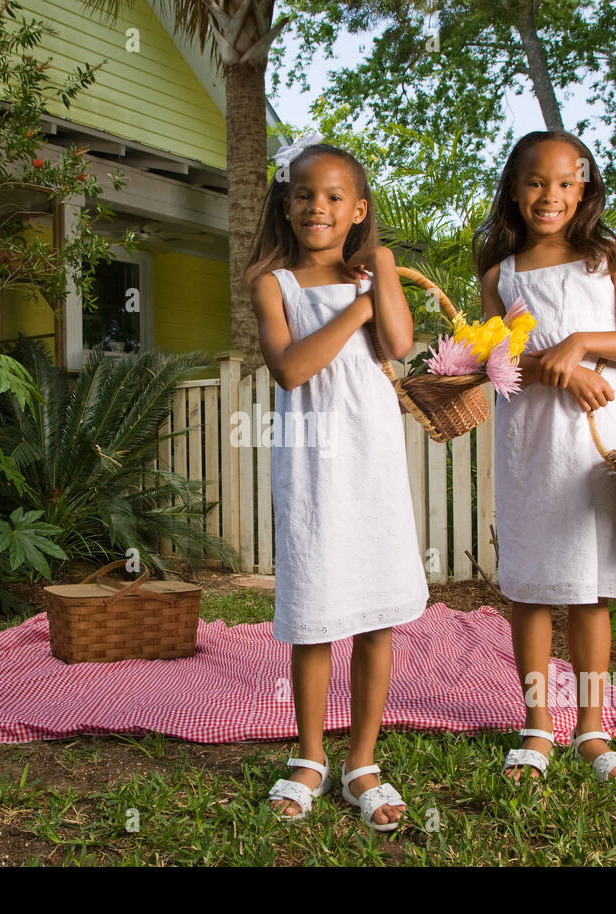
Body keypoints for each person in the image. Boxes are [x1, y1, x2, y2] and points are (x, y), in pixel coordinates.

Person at [474, 130, 616, 789]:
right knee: (530, 589)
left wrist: (584, 343)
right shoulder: (499, 274)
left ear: (585, 187)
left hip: (593, 444)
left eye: (564, 182)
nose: (549, 195)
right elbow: (493, 364)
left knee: (588, 593)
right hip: (531, 445)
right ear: (514, 188)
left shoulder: (607, 257)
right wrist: (556, 369)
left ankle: (592, 726)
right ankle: (536, 725)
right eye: (534, 182)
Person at [243, 140, 428, 830]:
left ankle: (363, 762)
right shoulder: (273, 281)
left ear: (358, 210)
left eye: (331, 197)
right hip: (312, 464)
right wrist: (356, 307)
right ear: (286, 206)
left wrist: (380, 270)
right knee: (315, 613)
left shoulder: (372, 272)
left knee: (376, 613)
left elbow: (401, 345)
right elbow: (292, 369)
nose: (315, 207)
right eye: (303, 195)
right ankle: (311, 756)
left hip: (371, 455)